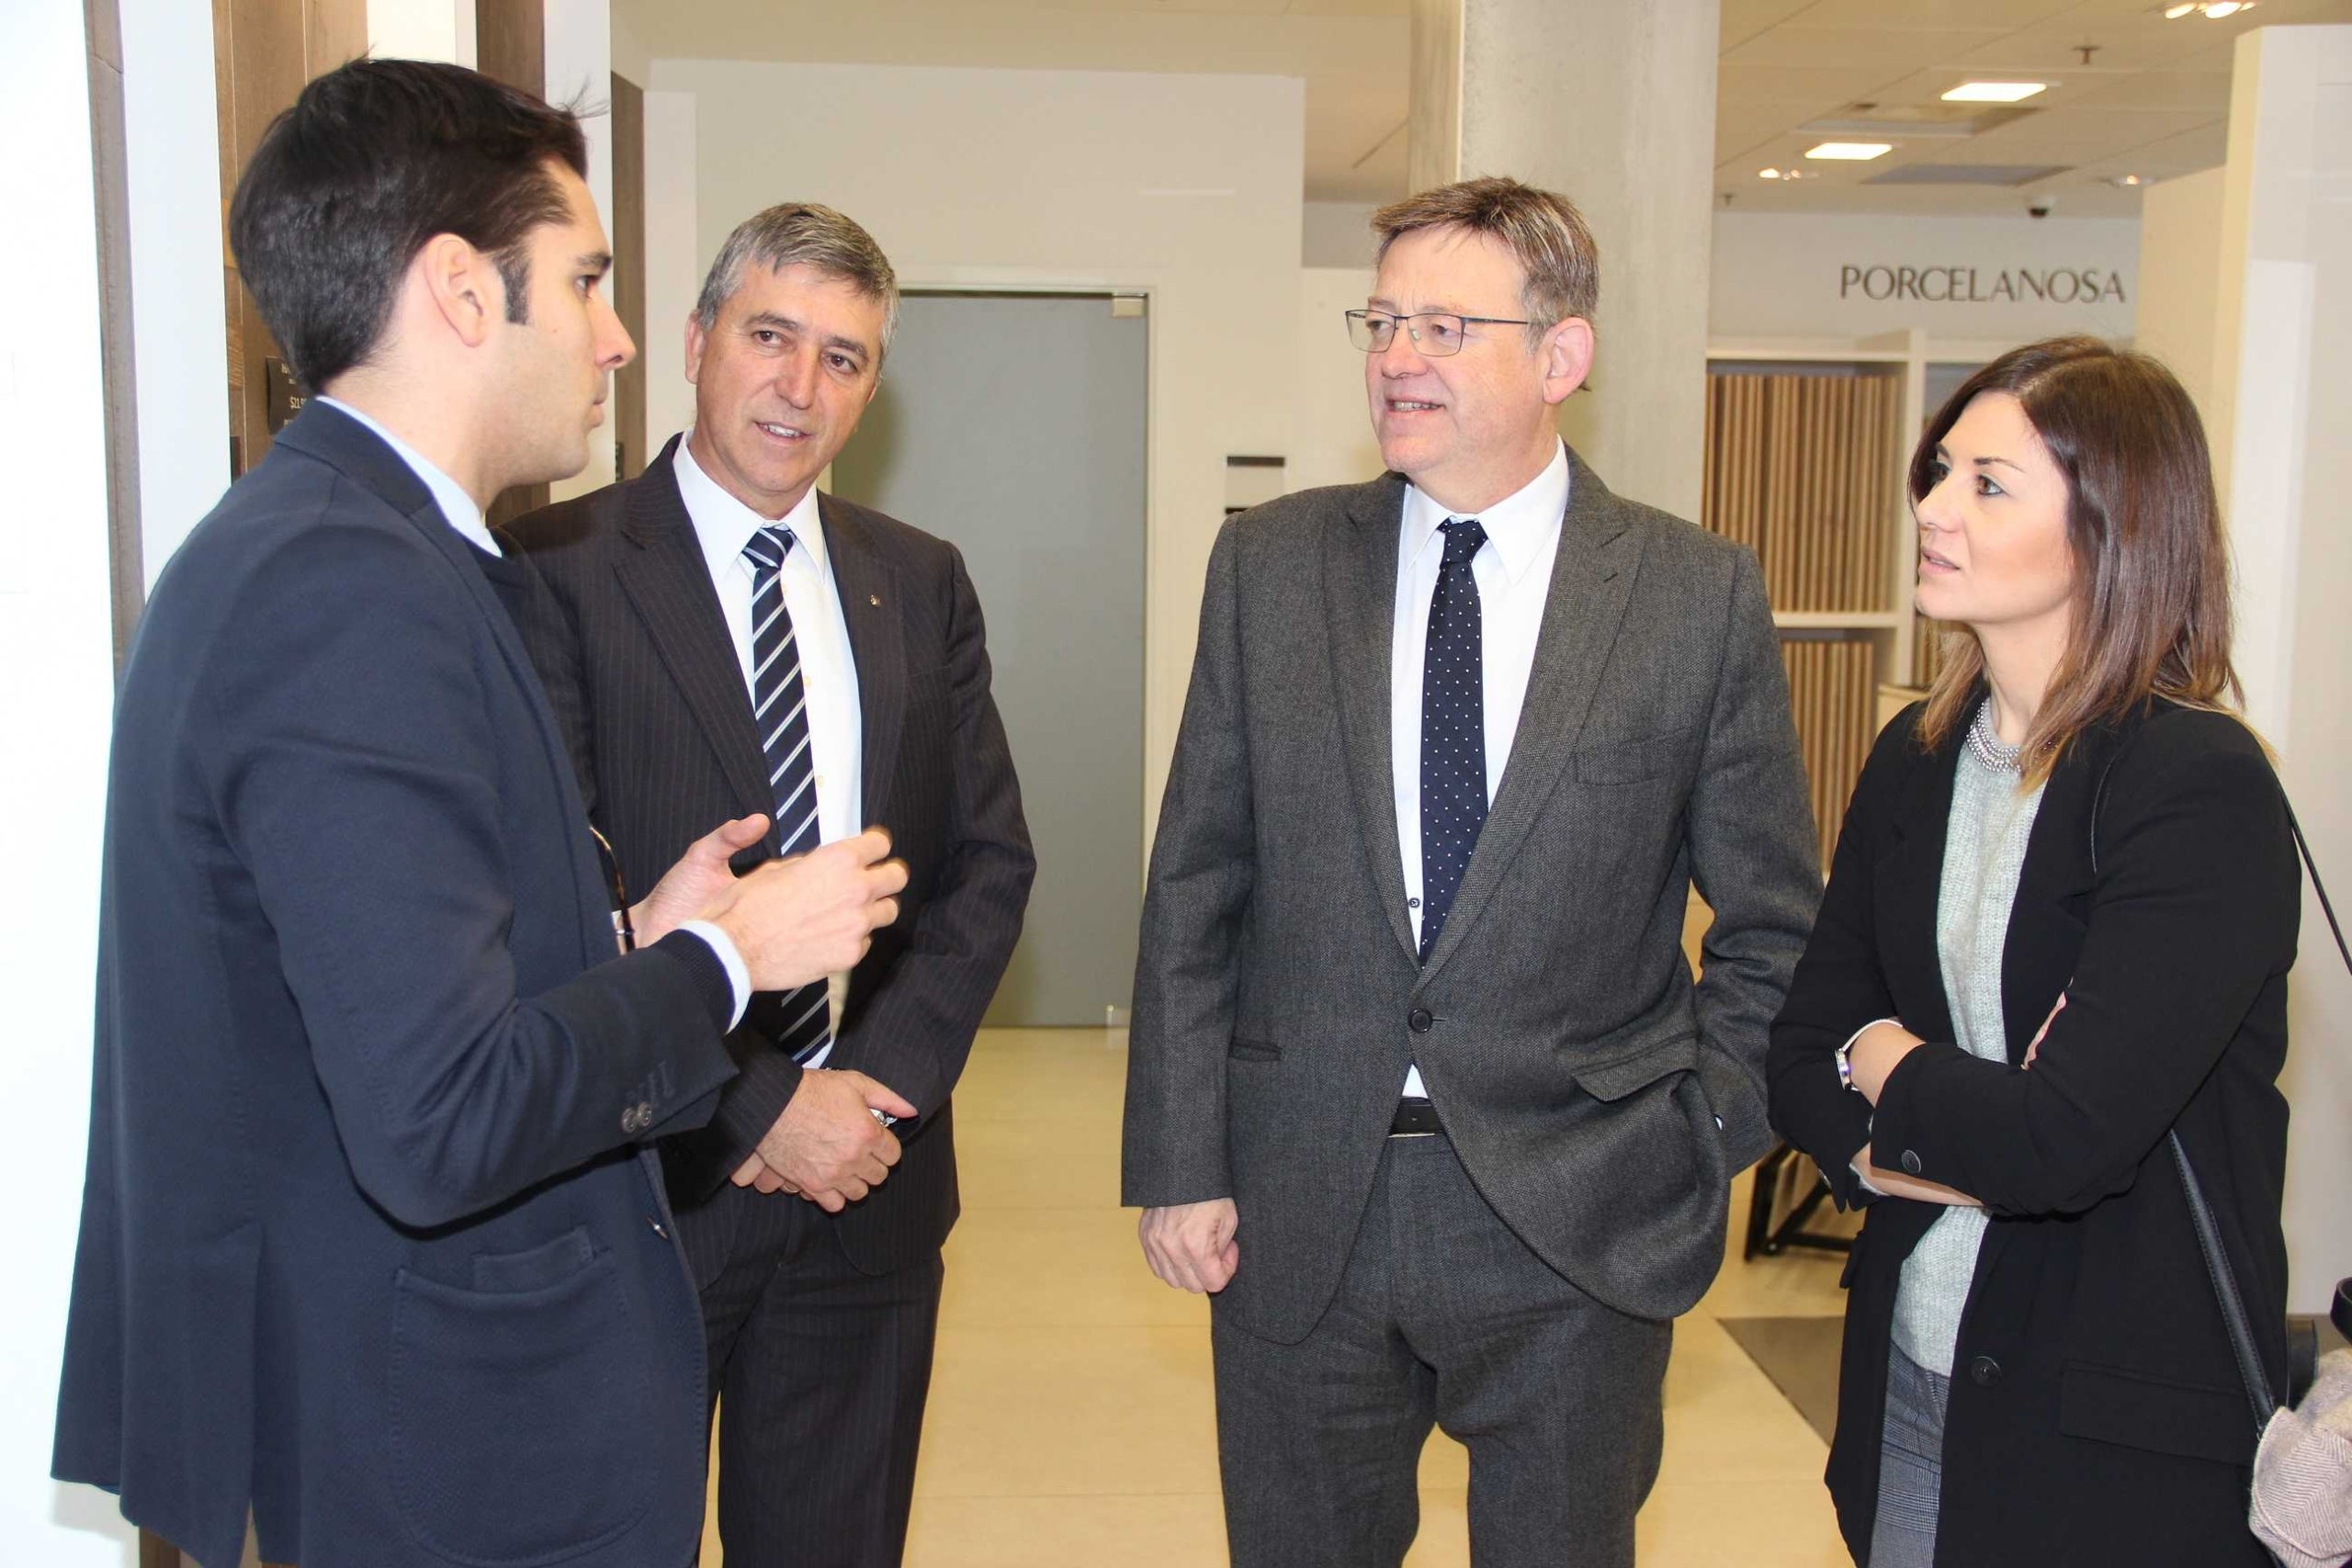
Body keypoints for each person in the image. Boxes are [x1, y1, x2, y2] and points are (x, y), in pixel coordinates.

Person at [51, 61, 907, 1568]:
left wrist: (639, 931)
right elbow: (441, 1118)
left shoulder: (372, 550)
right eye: (581, 279)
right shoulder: (346, 591)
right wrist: (726, 964)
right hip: (450, 1438)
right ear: (459, 290)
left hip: (433, 1409)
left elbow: (388, 974)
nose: (618, 332)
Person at [1121, 175, 1821, 1568]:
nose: (1397, 356)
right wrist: (1180, 1156)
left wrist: (1699, 1138)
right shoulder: (1270, 568)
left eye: (1446, 325)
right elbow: (1198, 885)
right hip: (1299, 1197)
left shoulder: (1693, 596)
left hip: (1578, 1210)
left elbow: (1773, 922)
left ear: (1561, 356)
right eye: (1383, 320)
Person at [507, 202, 1034, 1567]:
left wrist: (872, 1096)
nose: (801, 389)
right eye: (770, 338)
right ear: (694, 343)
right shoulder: (553, 573)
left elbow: (984, 868)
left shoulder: (919, 584)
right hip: (648, 1183)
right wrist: (758, 1107)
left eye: (846, 358)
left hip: (871, 1188)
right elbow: (549, 901)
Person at [1766, 336, 2300, 1567]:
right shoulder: (1916, 756)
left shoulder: (2195, 788)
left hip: (2109, 1419)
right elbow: (1796, 1051)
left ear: (2112, 529)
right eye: (1939, 470)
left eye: (1987, 485)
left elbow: (2061, 1140)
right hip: (1910, 1359)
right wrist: (1946, 1119)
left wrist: (1888, 1059)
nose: (1934, 508)